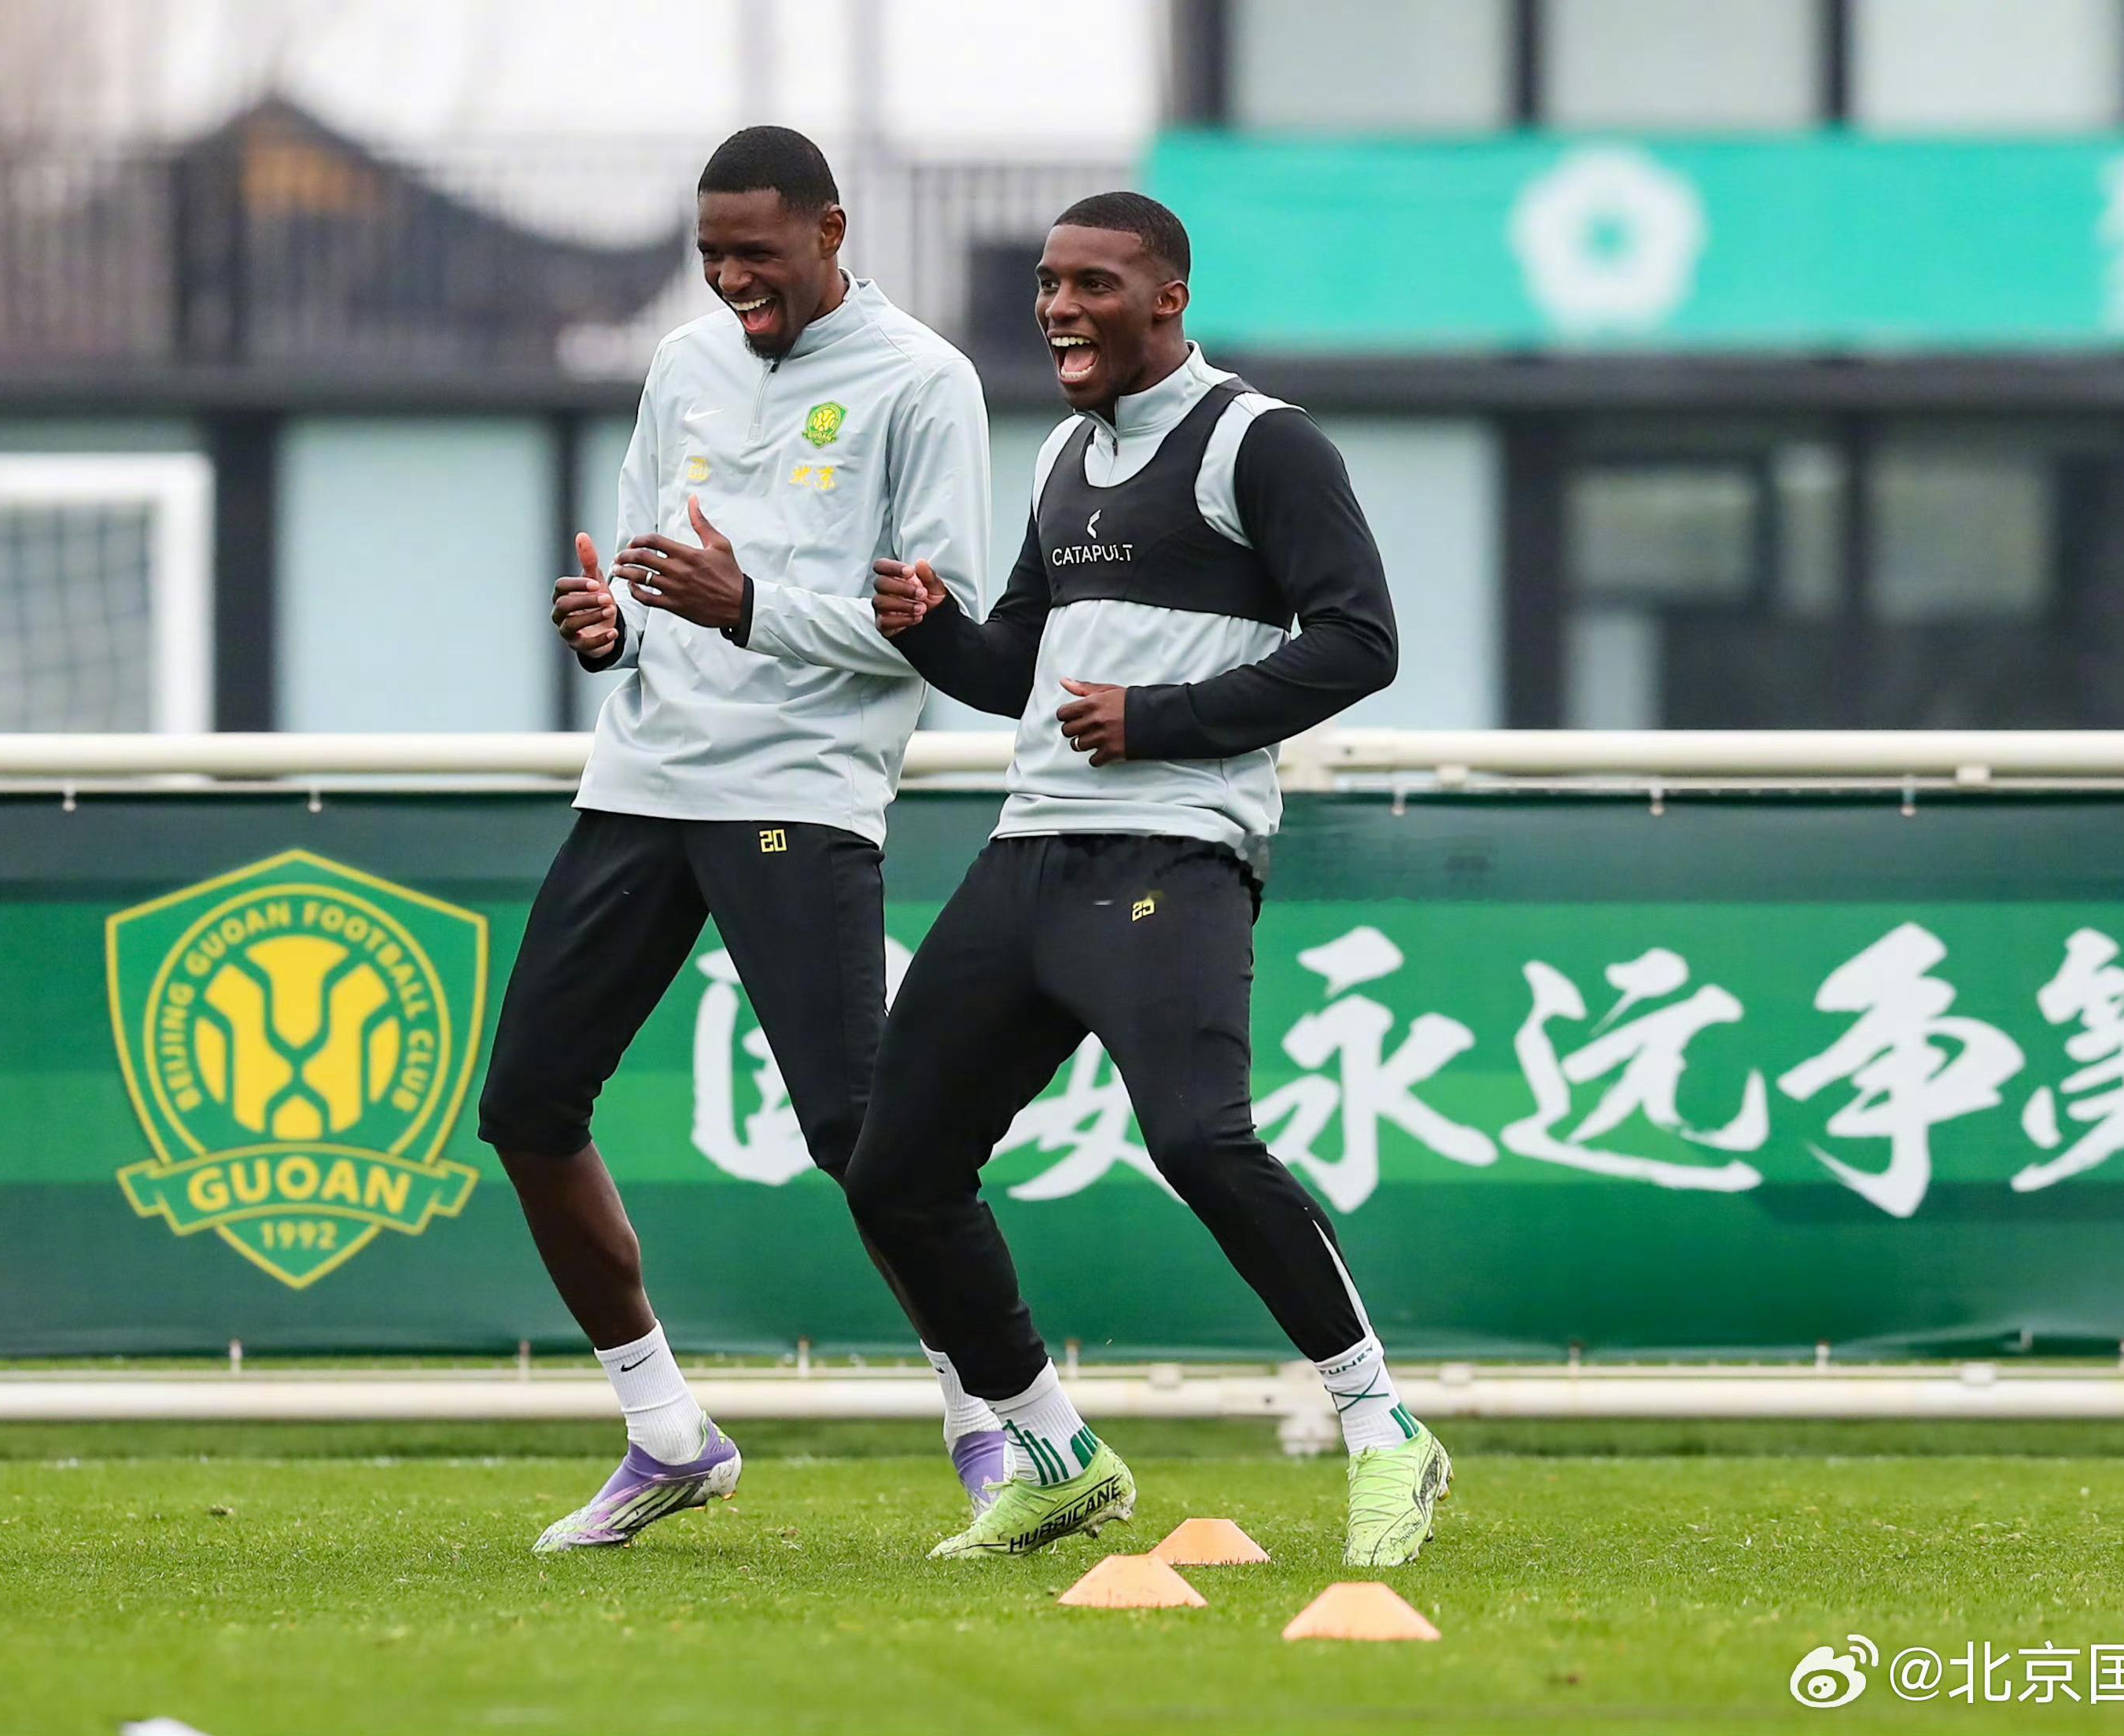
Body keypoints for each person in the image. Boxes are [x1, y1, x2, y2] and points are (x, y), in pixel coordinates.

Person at [850, 192, 1450, 1567]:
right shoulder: (1064, 453)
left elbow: (1359, 642)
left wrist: (1162, 720)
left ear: (1167, 298)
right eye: (1048, 284)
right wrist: (932, 629)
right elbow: (1017, 668)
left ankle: (1383, 1430)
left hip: (1174, 848)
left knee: (1196, 1141)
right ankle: (1054, 1455)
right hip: (1031, 849)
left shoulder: (1262, 441)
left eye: (1092, 285)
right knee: (896, 1172)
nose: (1058, 307)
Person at [475, 127, 1001, 1553]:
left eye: (755, 253)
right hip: (643, 777)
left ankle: (994, 1417)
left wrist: (748, 606)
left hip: (797, 789)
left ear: (830, 232)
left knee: (864, 1139)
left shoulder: (924, 380)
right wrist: (614, 629)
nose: (728, 279)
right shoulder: (682, 365)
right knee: (526, 1106)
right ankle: (664, 1430)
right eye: (710, 254)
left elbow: (946, 626)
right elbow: (648, 579)